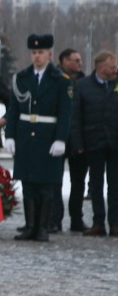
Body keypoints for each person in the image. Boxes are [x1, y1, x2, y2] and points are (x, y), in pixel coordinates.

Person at [5, 34, 74, 243]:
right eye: (34, 52)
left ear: (49, 54)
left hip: (48, 136)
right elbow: (13, 109)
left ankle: (43, 227)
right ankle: (30, 226)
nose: (37, 56)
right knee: (28, 184)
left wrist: (60, 139)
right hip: (26, 135)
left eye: (41, 52)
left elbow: (65, 112)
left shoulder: (61, 80)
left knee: (45, 185)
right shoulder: (21, 78)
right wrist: (9, 135)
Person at [71, 50, 118, 236]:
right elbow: (75, 117)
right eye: (112, 67)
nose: (115, 70)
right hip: (93, 142)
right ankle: (98, 222)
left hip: (115, 142)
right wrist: (77, 143)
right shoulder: (83, 86)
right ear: (101, 68)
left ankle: (115, 223)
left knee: (115, 185)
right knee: (96, 185)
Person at [58, 48, 88, 232]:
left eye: (80, 60)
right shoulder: (54, 79)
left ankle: (76, 219)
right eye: (75, 60)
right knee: (55, 181)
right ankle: (55, 218)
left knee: (79, 182)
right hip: (58, 137)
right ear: (64, 61)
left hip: (79, 138)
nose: (79, 64)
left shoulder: (84, 82)